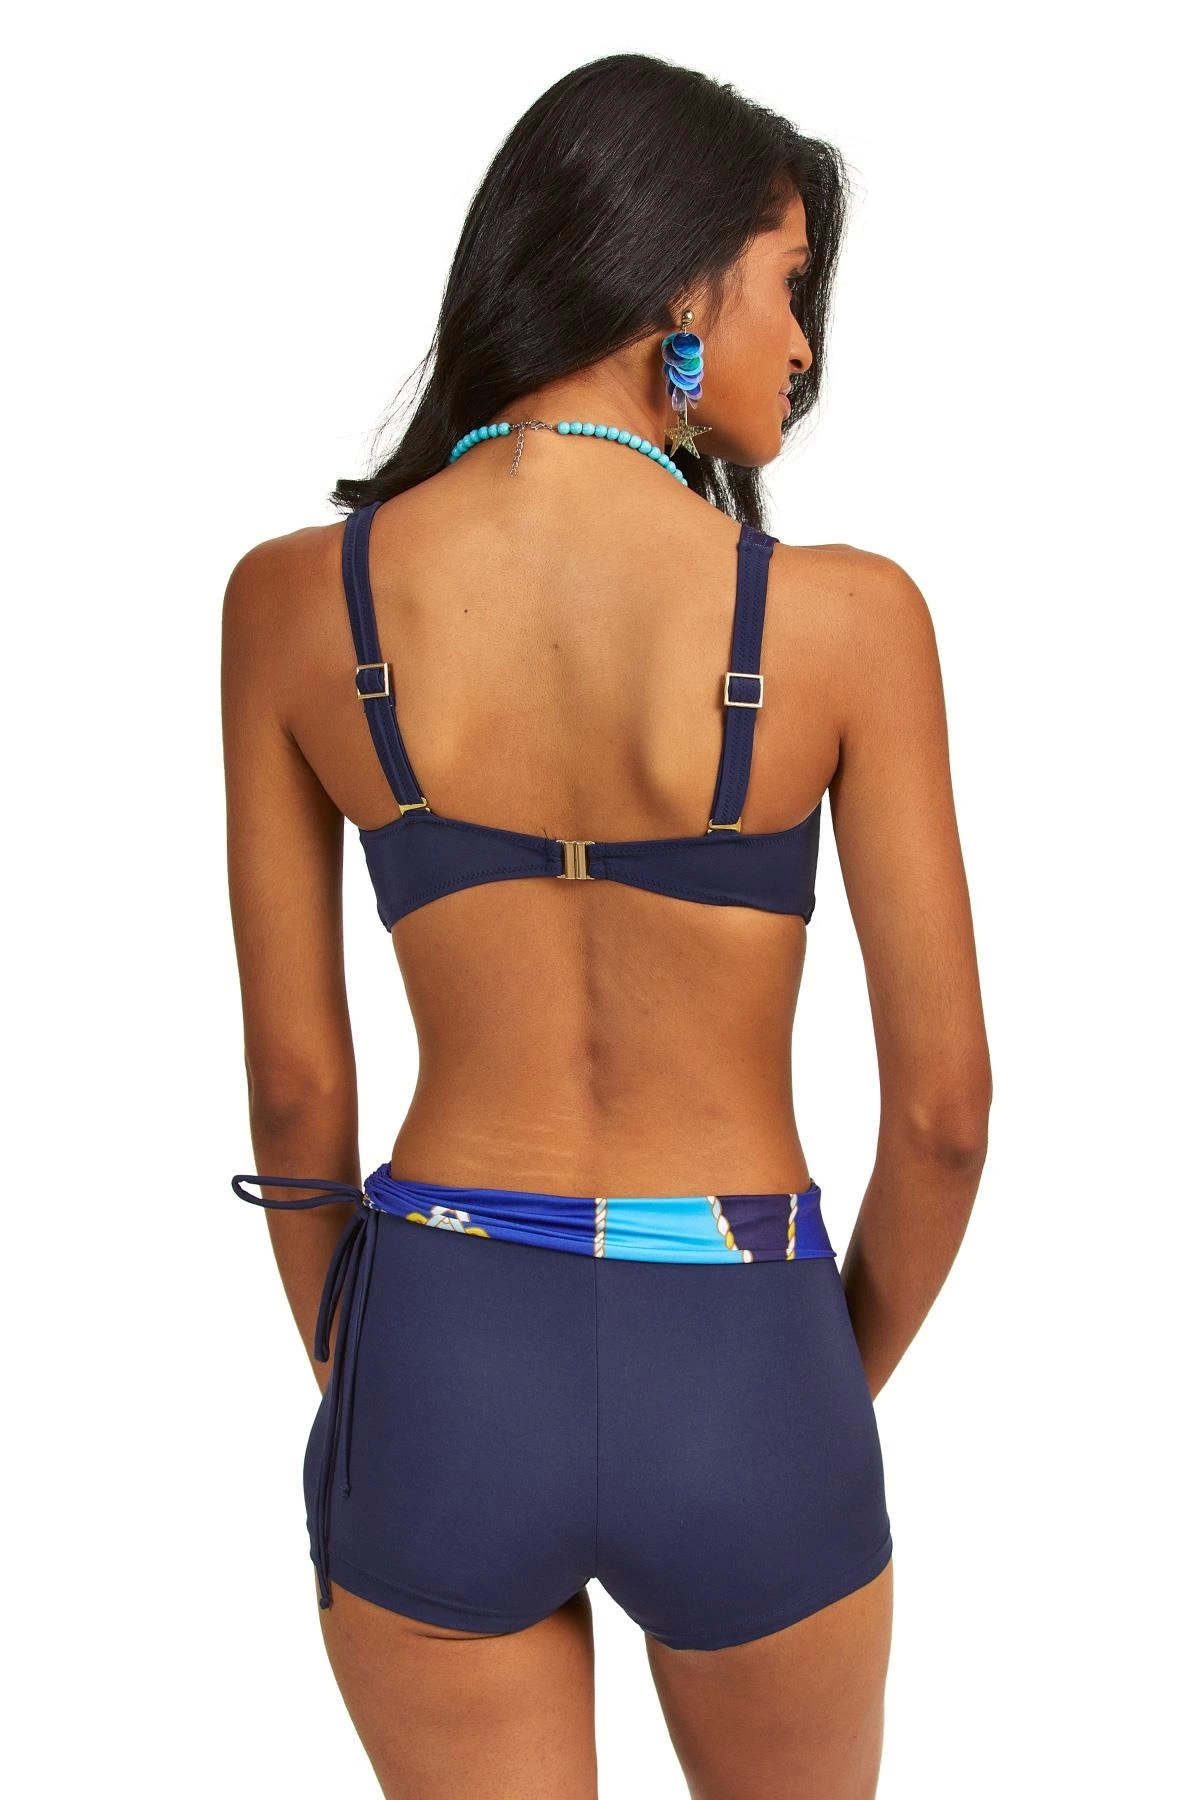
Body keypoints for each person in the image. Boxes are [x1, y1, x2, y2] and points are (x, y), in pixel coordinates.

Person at [223, 50, 991, 1800]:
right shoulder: (849, 623)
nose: (805, 346)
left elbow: (292, 1091)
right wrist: (802, 1383)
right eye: (789, 285)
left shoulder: (294, 604)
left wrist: (365, 1363)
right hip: (747, 1348)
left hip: (440, 1344)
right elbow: (947, 1115)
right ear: (678, 293)